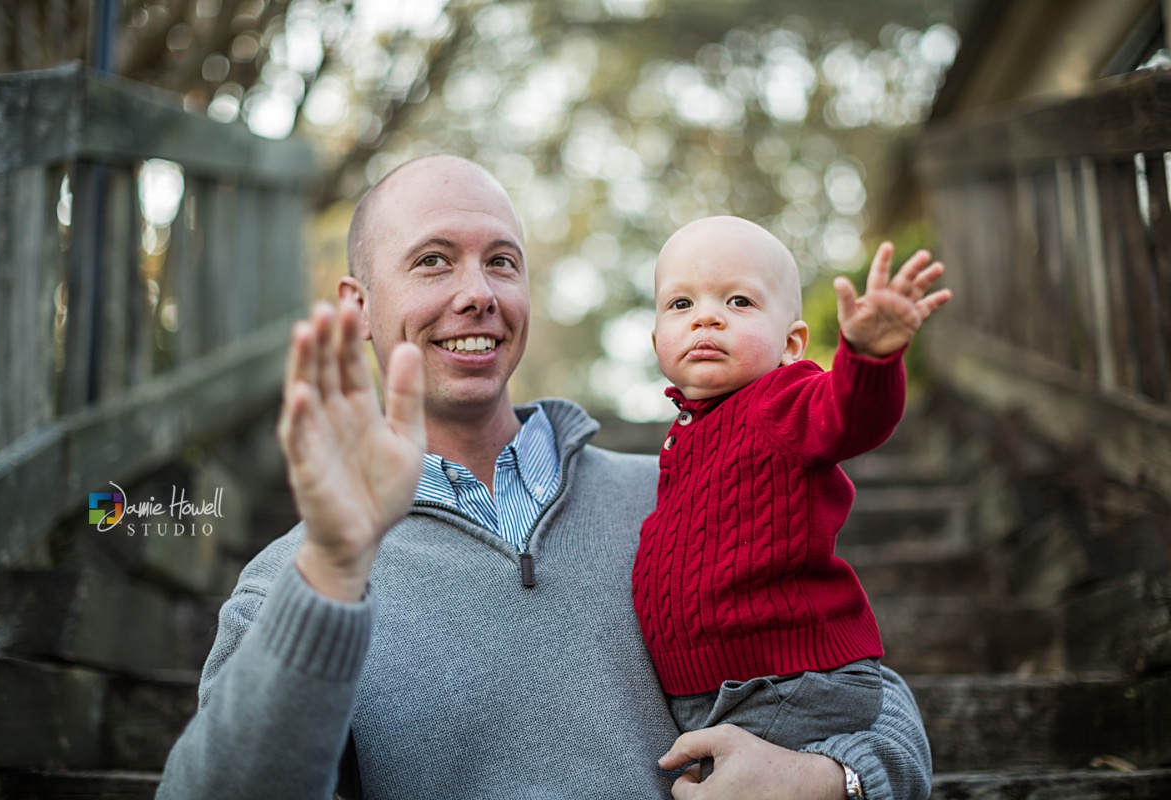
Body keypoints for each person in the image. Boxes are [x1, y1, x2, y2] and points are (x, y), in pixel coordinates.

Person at [156, 156, 933, 800]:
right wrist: (332, 567)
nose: (478, 294)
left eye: (502, 262)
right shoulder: (297, 581)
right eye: (433, 261)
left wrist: (828, 780)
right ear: (358, 305)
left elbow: (875, 703)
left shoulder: (686, 490)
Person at [631, 217, 950, 782]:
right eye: (681, 304)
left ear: (792, 344)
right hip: (724, 693)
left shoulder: (779, 402)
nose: (706, 316)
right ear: (658, 341)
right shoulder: (684, 439)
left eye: (738, 301)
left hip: (790, 682)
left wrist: (869, 358)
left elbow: (849, 416)